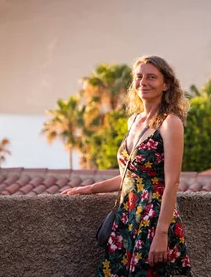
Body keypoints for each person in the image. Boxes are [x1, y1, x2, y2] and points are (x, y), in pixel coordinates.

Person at [62, 55, 192, 277]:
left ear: (166, 84)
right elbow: (129, 177)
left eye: (152, 77)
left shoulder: (171, 123)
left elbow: (172, 183)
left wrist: (161, 233)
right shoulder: (133, 121)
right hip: (127, 217)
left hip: (153, 218)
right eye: (139, 77)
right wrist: (90, 189)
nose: (144, 82)